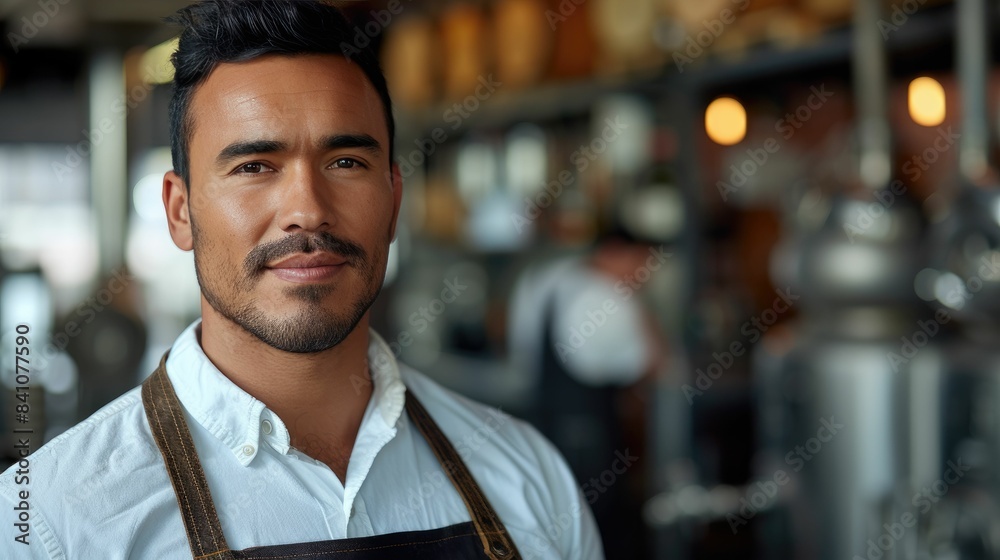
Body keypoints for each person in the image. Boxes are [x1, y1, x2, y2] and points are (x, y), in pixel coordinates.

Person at [0, 2, 601, 558]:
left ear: (394, 202)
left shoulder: (527, 478)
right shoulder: (51, 519)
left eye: (345, 162)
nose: (307, 209)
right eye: (255, 166)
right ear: (180, 213)